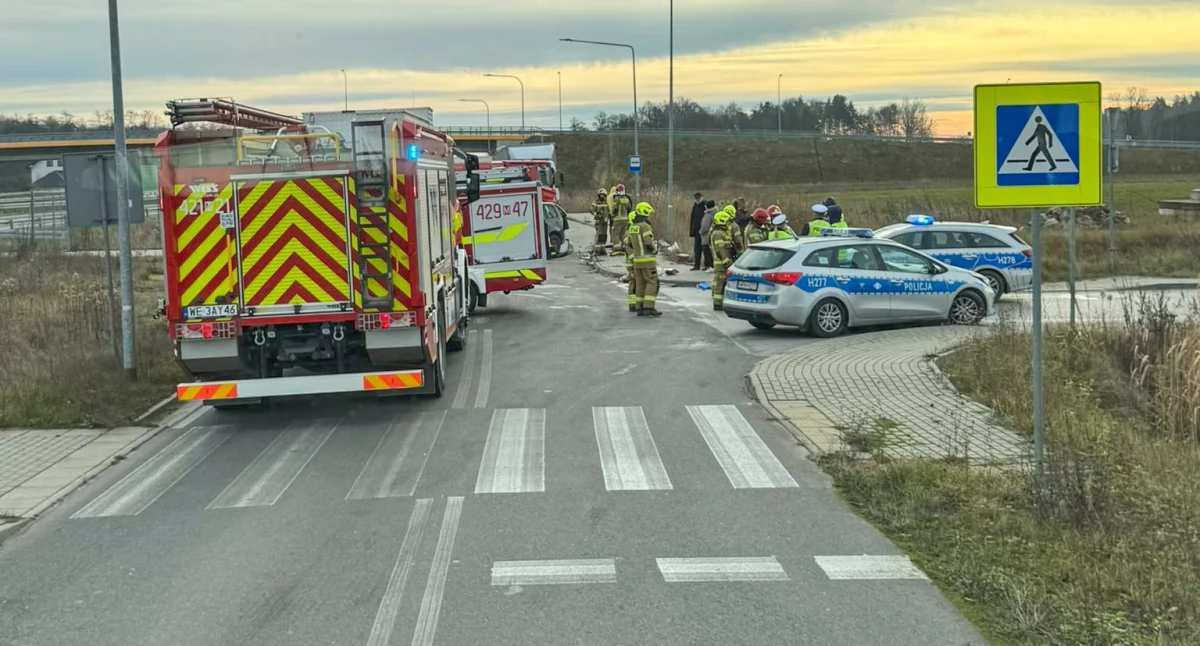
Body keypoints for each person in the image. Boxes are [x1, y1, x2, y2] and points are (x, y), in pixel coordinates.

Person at [624, 202, 662, 317]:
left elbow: (629, 244)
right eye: (649, 212)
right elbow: (648, 242)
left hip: (637, 262)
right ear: (645, 212)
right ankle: (649, 307)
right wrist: (654, 250)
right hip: (647, 260)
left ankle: (639, 307)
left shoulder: (632, 227)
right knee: (652, 282)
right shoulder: (645, 226)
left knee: (640, 283)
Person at [709, 210, 735, 311]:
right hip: (721, 263)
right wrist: (727, 262)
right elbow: (720, 250)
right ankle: (717, 304)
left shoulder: (723, 232)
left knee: (721, 282)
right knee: (720, 283)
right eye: (727, 221)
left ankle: (720, 302)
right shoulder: (718, 234)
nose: (729, 224)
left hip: (724, 262)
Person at [609, 184, 633, 256]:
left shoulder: (617, 199)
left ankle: (617, 249)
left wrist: (612, 215)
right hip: (625, 218)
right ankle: (624, 248)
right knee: (623, 234)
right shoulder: (626, 198)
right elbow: (629, 208)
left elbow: (614, 208)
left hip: (618, 219)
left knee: (615, 234)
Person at [697, 199, 717, 271]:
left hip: (706, 237)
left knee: (706, 252)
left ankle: (708, 266)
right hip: (713, 236)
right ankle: (712, 266)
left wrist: (700, 232)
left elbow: (704, 227)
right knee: (712, 252)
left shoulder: (707, 216)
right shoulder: (716, 213)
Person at [689, 192, 706, 270]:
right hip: (696, 231)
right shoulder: (695, 206)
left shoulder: (705, 205)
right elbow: (692, 219)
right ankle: (697, 265)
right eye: (696, 198)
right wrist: (692, 230)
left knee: (705, 249)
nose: (697, 199)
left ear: (701, 197)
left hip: (704, 231)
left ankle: (707, 265)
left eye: (699, 198)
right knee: (697, 248)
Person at [591, 188, 610, 256]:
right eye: (601, 195)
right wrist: (596, 214)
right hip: (598, 222)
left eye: (603, 195)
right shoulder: (595, 202)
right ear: (599, 195)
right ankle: (597, 250)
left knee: (604, 236)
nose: (602, 196)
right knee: (599, 236)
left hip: (605, 222)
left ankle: (603, 249)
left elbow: (609, 211)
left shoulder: (606, 202)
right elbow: (592, 210)